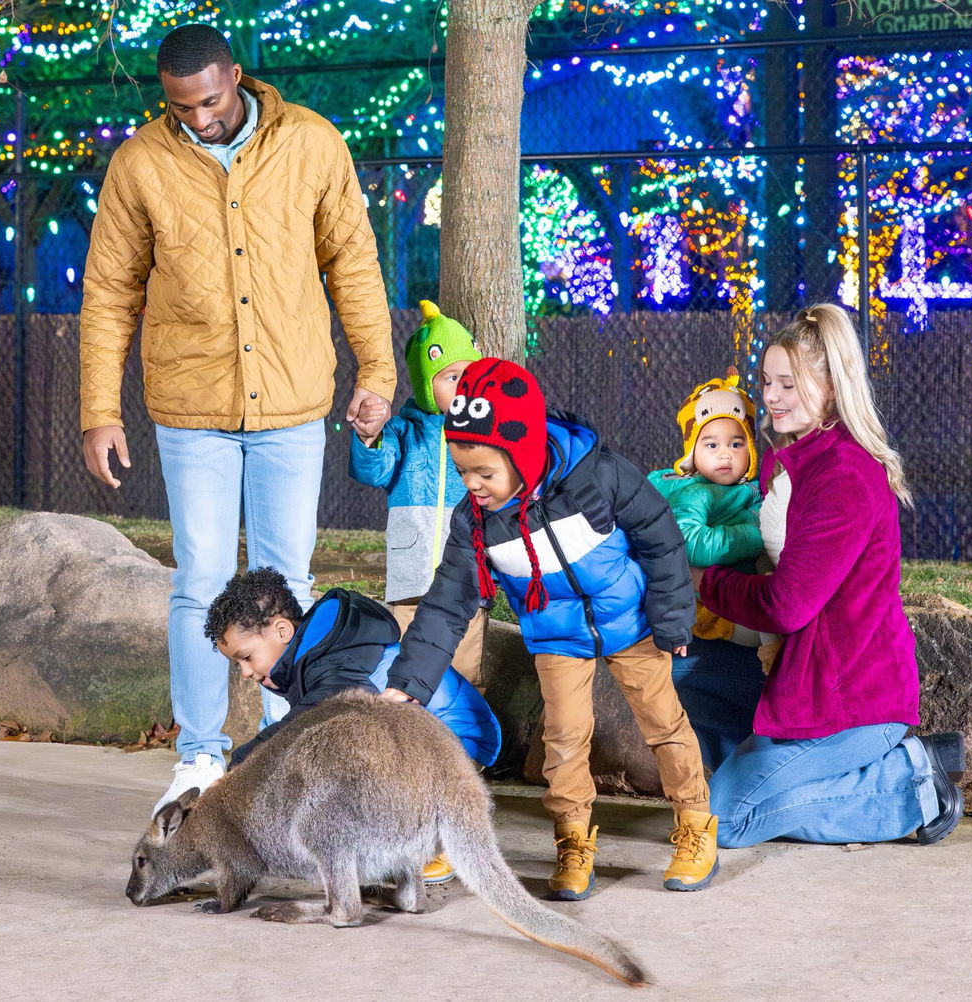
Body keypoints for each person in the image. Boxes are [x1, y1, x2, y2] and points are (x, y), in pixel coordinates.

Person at [78, 23, 395, 815]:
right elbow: (109, 291)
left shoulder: (312, 143)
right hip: (193, 409)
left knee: (290, 579)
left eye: (211, 102)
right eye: (181, 107)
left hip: (292, 402)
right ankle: (199, 757)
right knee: (201, 582)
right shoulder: (139, 163)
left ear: (237, 77)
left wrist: (378, 371)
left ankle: (289, 747)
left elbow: (354, 264)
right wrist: (99, 410)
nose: (199, 118)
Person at [382, 358, 720, 900]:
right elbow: (447, 603)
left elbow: (660, 535)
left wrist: (673, 615)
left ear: (522, 453)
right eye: (462, 470)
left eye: (483, 472)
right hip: (556, 634)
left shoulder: (595, 475)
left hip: (632, 622)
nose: (471, 485)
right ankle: (573, 839)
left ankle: (696, 823)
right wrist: (410, 681)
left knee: (663, 722)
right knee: (563, 738)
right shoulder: (476, 522)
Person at [694, 304, 965, 850]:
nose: (771, 397)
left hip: (850, 700)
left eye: (788, 384)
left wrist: (703, 580)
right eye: (767, 381)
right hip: (796, 679)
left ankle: (912, 780)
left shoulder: (844, 474)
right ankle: (757, 780)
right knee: (681, 671)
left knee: (722, 819)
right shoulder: (791, 460)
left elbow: (785, 605)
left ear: (832, 387)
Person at [204, 567, 500, 884]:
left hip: (454, 748)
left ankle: (437, 843)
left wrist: (242, 766)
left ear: (282, 631)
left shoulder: (334, 663)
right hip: (427, 746)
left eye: (247, 657)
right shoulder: (321, 651)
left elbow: (306, 722)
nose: (245, 672)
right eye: (237, 664)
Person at [348, 300, 487, 686]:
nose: (462, 386)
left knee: (465, 667)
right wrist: (369, 436)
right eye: (451, 377)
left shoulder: (482, 432)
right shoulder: (403, 430)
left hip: (466, 581)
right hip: (411, 578)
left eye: (469, 375)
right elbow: (373, 471)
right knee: (405, 664)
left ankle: (467, 722)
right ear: (426, 385)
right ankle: (407, 721)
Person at [647, 368, 768, 768]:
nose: (725, 454)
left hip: (734, 596)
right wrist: (755, 533)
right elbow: (693, 544)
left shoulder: (746, 490)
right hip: (705, 611)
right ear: (692, 451)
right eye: (711, 444)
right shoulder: (695, 492)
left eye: (736, 443)